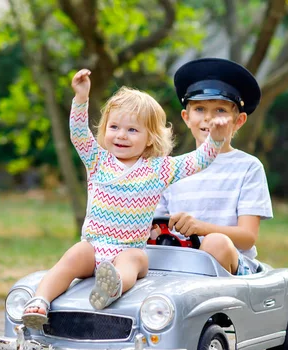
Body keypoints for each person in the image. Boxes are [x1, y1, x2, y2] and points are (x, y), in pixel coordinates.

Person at [21, 68, 229, 329]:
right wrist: (81, 98)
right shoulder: (97, 161)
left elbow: (197, 161)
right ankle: (40, 301)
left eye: (132, 130)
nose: (121, 135)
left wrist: (215, 140)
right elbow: (78, 134)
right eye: (115, 127)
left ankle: (112, 285)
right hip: (94, 246)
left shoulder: (159, 169)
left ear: (150, 138)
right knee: (71, 258)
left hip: (129, 248)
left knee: (133, 263)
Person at [154, 58, 273, 275]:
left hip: (233, 269)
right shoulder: (172, 168)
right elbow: (155, 228)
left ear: (239, 121)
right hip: (176, 266)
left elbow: (247, 237)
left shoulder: (248, 167)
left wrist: (201, 228)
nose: (209, 118)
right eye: (199, 109)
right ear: (186, 117)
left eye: (220, 110)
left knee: (215, 243)